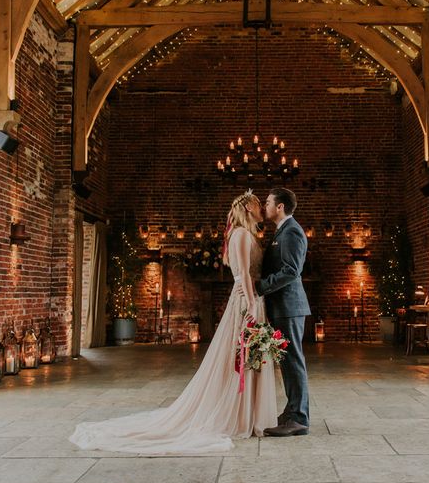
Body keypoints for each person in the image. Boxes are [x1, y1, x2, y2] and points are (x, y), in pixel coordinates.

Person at [69, 190, 277, 455]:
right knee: (241, 355)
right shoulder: (241, 235)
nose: (261, 208)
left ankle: (247, 413)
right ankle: (238, 413)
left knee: (248, 356)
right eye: (258, 204)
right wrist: (250, 304)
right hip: (247, 303)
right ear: (248, 207)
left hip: (252, 300)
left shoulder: (244, 234)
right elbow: (245, 275)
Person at [256, 187, 311, 436]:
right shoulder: (282, 231)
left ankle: (298, 418)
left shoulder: (291, 232)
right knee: (287, 363)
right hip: (282, 306)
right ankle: (291, 412)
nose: (264, 206)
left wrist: (261, 287)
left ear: (280, 207)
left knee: (293, 361)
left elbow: (291, 271)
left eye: (267, 202)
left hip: (289, 306)